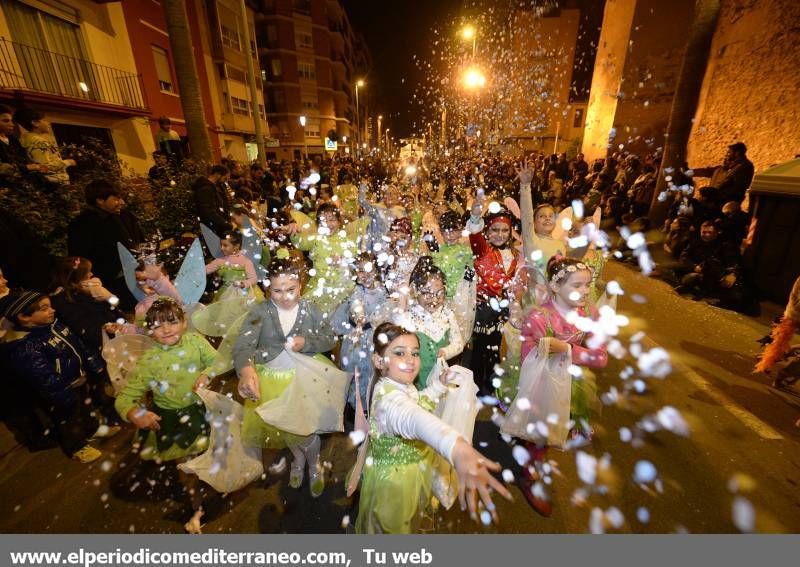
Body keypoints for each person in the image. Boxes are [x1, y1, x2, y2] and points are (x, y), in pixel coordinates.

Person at [354, 322, 512, 533]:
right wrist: (455, 446)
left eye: (415, 353)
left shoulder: (399, 384)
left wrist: (439, 384)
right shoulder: (389, 403)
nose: (410, 360)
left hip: (410, 465)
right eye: (400, 353)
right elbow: (414, 418)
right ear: (379, 360)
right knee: (395, 525)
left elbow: (417, 402)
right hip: (397, 481)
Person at [507, 257, 608, 516]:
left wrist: (568, 349)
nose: (586, 291)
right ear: (555, 287)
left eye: (588, 285)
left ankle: (531, 449)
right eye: (578, 285)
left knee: (557, 429)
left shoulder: (589, 314)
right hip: (543, 384)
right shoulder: (539, 318)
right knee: (542, 435)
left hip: (572, 382)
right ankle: (529, 475)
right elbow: (529, 363)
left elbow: (601, 358)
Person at [233, 258, 336, 497]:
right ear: (268, 288)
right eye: (277, 291)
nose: (285, 297)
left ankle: (313, 464)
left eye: (291, 290)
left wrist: (307, 342)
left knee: (307, 431)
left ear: (301, 286)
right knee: (287, 429)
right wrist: (247, 369)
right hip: (273, 381)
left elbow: (330, 338)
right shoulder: (260, 311)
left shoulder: (311, 308)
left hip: (306, 379)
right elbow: (243, 346)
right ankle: (298, 459)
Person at [114, 298, 216, 533]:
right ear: (149, 330)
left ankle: (212, 482)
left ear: (184, 322)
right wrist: (134, 412)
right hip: (174, 421)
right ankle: (196, 506)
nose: (167, 329)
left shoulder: (196, 342)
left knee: (208, 453)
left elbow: (217, 361)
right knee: (187, 468)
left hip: (204, 411)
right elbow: (124, 398)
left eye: (172, 322)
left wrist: (208, 374)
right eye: (158, 326)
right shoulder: (148, 361)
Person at [0, 291, 119, 463]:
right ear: (24, 317)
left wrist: (92, 362)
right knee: (67, 421)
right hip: (62, 391)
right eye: (44, 308)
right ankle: (76, 446)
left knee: (85, 408)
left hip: (78, 380)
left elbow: (77, 343)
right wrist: (63, 393)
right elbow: (43, 376)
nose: (52, 310)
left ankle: (92, 429)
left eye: (50, 306)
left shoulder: (53, 325)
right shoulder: (26, 346)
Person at [466, 197, 520, 396]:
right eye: (495, 230)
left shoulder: (516, 253)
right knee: (479, 350)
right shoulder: (482, 250)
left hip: (504, 310)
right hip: (484, 310)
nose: (500, 234)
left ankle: (492, 384)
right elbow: (474, 234)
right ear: (487, 231)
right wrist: (474, 216)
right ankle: (474, 388)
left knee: (497, 348)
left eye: (504, 230)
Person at [67, 179, 145, 310]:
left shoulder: (125, 216)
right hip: (110, 283)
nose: (121, 202)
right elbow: (80, 256)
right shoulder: (83, 224)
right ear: (100, 200)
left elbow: (139, 241)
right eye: (115, 199)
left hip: (137, 276)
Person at [331, 252, 392, 411]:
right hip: (357, 337)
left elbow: (386, 310)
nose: (365, 275)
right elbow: (355, 305)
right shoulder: (355, 291)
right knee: (354, 369)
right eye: (360, 271)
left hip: (373, 336)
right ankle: (354, 403)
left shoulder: (383, 291)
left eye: (369, 270)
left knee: (372, 371)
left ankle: (368, 403)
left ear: (376, 271)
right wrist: (359, 319)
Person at [393, 257, 464, 390]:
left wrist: (446, 351)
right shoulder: (411, 316)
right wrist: (403, 298)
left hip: (440, 377)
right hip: (415, 378)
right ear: (416, 292)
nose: (434, 299)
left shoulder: (447, 315)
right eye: (427, 294)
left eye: (439, 293)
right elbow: (398, 323)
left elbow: (458, 343)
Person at [431, 211, 476, 340]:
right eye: (446, 231)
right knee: (441, 331)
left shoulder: (466, 250)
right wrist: (434, 252)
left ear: (460, 230)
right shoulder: (439, 250)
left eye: (454, 230)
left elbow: (471, 273)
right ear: (441, 231)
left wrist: (470, 274)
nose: (450, 235)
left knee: (458, 330)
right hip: (441, 297)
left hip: (459, 297)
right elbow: (435, 270)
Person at [13, 108, 75, 185]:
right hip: (54, 182)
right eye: (45, 120)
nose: (48, 122)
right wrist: (67, 162)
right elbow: (43, 167)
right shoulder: (38, 141)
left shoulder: (26, 139)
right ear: (35, 123)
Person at [204, 231, 262, 301]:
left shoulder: (246, 261)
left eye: (225, 245)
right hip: (225, 295)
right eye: (221, 245)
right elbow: (205, 270)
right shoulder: (220, 260)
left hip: (242, 296)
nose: (222, 248)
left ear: (236, 246)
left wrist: (243, 284)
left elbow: (253, 279)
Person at [193, 165, 232, 235]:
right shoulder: (205, 189)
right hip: (213, 229)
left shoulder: (215, 187)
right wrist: (225, 224)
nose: (225, 182)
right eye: (224, 178)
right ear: (217, 175)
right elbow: (207, 211)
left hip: (218, 226)